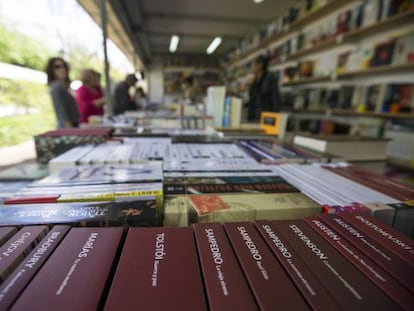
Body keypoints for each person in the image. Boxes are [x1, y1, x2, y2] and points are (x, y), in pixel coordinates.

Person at [45, 57, 80, 128]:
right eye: (57, 67)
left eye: (64, 66)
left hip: (74, 125)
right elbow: (61, 111)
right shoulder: (56, 87)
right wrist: (70, 131)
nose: (62, 69)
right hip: (67, 128)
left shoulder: (64, 86)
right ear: (51, 70)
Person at [247, 54, 282, 121]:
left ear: (260, 65)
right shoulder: (254, 80)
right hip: (254, 118)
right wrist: (250, 86)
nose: (251, 67)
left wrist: (272, 120)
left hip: (266, 119)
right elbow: (252, 100)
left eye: (253, 65)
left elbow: (275, 101)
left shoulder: (270, 78)